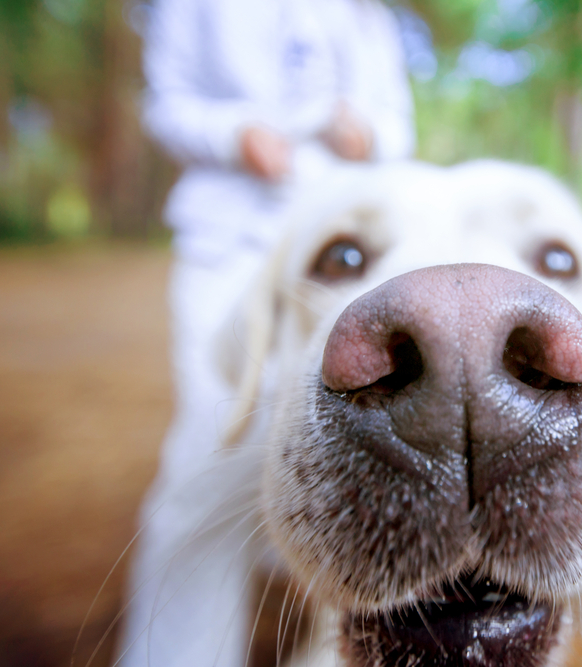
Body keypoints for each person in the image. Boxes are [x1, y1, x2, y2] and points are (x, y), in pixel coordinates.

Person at [115, 1, 414, 665]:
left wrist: (365, 134)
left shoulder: (369, 18)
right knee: (211, 449)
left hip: (344, 261)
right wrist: (235, 134)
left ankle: (344, 645)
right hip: (229, 243)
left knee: (365, 448)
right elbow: (166, 103)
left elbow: (398, 127)